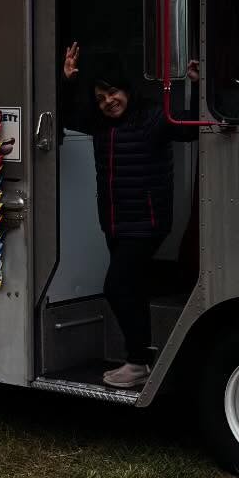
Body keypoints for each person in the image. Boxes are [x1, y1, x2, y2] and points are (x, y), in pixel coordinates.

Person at [61, 41, 200, 388]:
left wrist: (198, 86)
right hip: (115, 222)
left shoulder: (152, 117)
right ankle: (140, 360)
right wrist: (68, 81)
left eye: (113, 92)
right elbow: (64, 118)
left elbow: (192, 127)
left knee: (117, 285)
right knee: (132, 289)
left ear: (126, 89)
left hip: (147, 223)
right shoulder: (101, 126)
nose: (109, 102)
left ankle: (138, 362)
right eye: (101, 98)